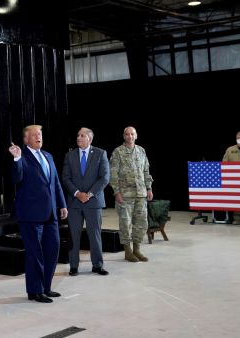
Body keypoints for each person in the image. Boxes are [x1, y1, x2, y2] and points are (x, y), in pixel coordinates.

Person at [8, 125, 68, 303]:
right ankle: (35, 291)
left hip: (51, 214)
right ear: (26, 140)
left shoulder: (48, 156)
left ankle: (46, 287)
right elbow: (16, 179)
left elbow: (55, 182)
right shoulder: (22, 157)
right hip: (30, 215)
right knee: (35, 253)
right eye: (33, 135)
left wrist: (62, 204)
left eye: (40, 134)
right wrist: (17, 158)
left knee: (53, 248)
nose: (38, 137)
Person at [62, 127, 110, 276]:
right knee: (73, 235)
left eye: (82, 135)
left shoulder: (100, 153)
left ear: (90, 139)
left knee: (94, 235)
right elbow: (65, 177)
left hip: (93, 202)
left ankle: (97, 265)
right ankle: (74, 266)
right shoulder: (69, 156)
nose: (78, 138)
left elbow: (105, 178)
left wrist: (88, 194)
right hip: (74, 203)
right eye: (78, 135)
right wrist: (77, 193)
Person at [109, 126, 153, 263]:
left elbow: (146, 171)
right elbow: (113, 173)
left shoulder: (141, 151)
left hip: (141, 193)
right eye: (127, 134)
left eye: (132, 134)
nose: (130, 136)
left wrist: (149, 188)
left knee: (141, 223)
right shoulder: (118, 152)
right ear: (124, 136)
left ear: (136, 135)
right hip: (125, 195)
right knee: (125, 223)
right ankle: (128, 251)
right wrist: (116, 192)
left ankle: (137, 249)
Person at [221, 131, 240, 223]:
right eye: (238, 137)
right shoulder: (230, 149)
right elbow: (224, 163)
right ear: (236, 138)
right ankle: (238, 218)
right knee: (237, 198)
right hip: (234, 180)